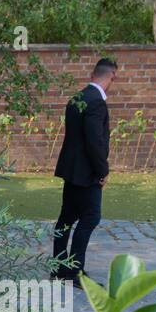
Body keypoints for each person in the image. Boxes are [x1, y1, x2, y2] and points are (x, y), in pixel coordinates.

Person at [53, 58, 116, 284]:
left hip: (71, 172)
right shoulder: (97, 102)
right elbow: (94, 142)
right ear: (112, 77)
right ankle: (75, 272)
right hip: (88, 173)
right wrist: (103, 171)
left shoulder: (76, 98)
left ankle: (58, 268)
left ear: (93, 74)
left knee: (67, 218)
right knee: (90, 217)